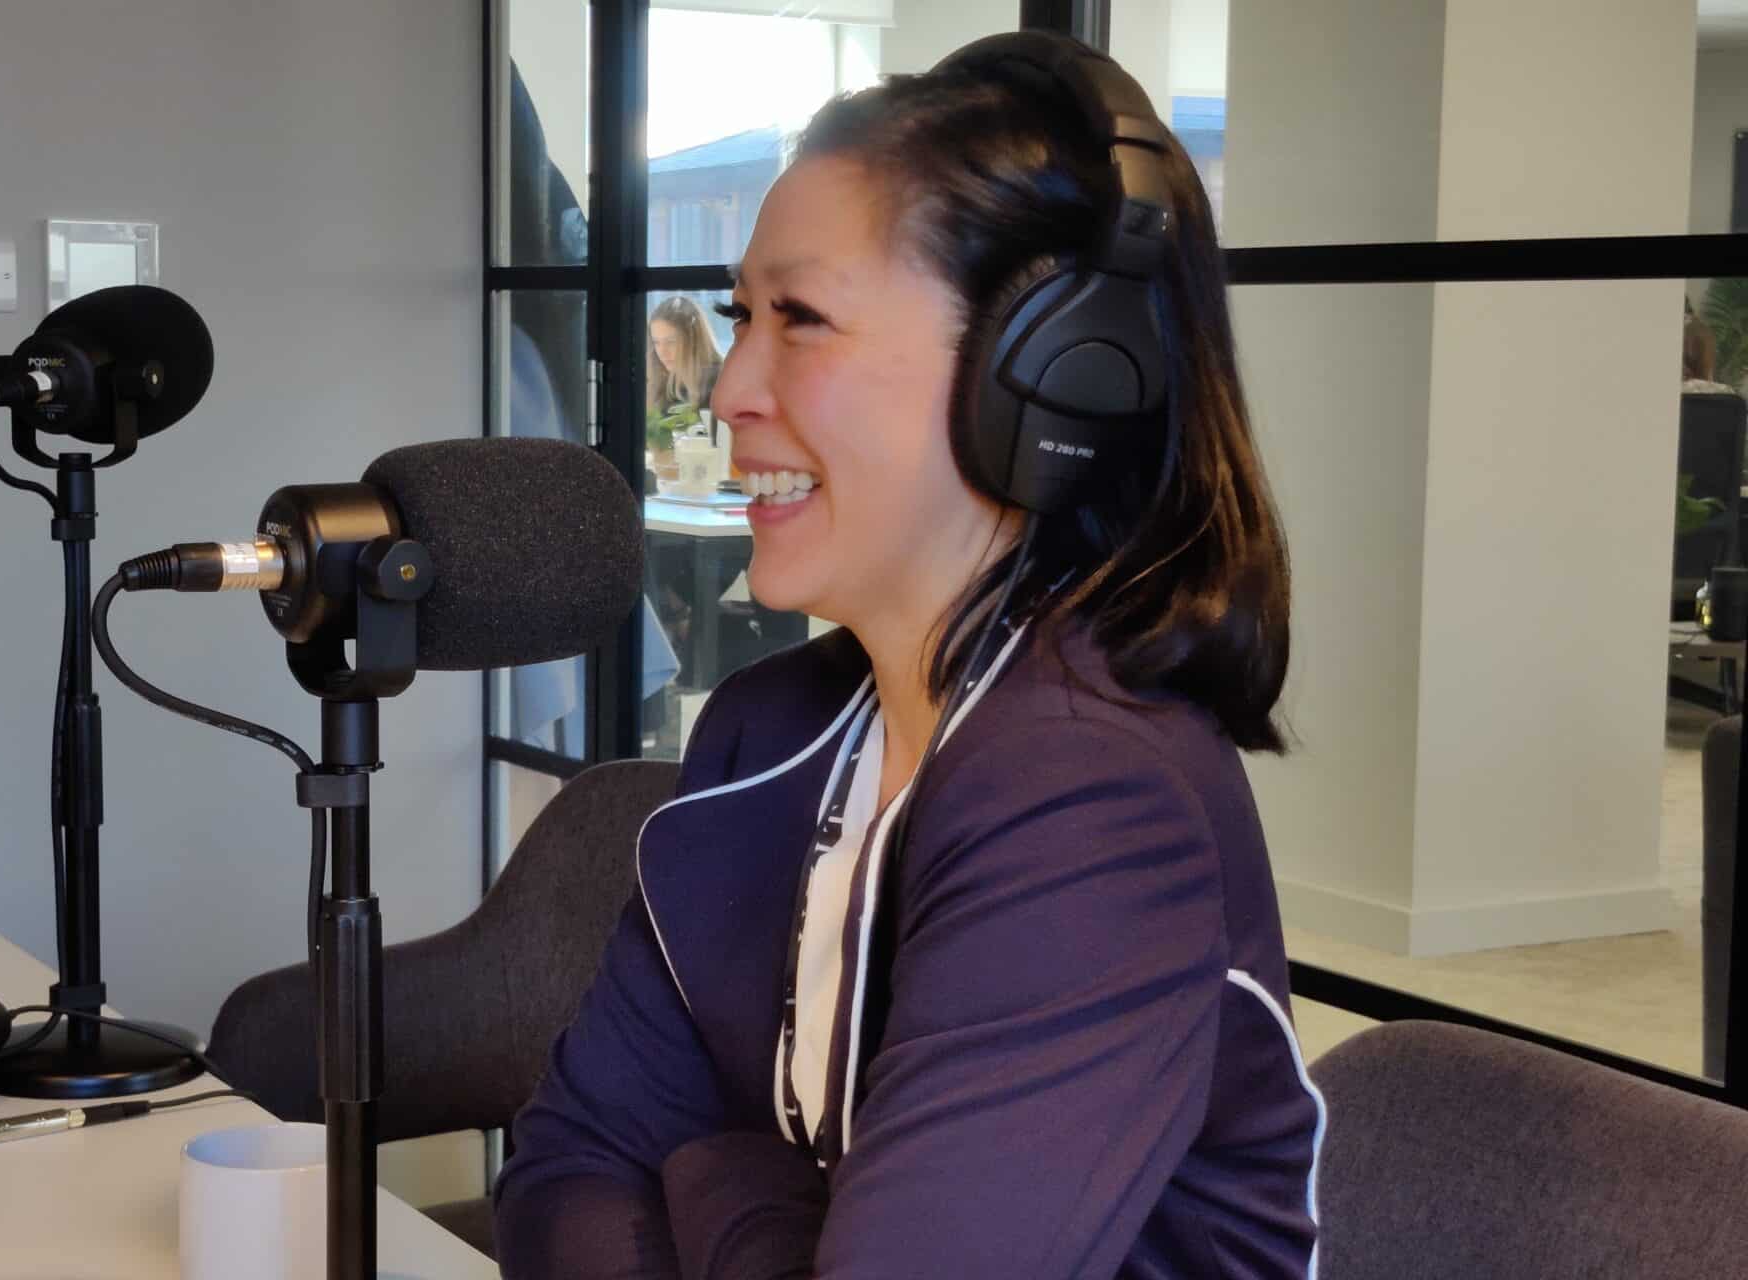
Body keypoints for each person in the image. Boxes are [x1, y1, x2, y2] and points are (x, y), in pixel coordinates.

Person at [496, 31, 1321, 1279]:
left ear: (1041, 377)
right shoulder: (764, 731)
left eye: (801, 319)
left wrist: (719, 1181)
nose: (730, 390)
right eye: (738, 317)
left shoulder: (1093, 800)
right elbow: (563, 1171)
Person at [646, 294, 725, 418]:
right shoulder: (661, 384)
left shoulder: (721, 382)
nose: (662, 352)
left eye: (671, 341)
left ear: (693, 341)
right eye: (656, 342)